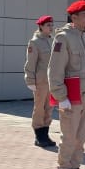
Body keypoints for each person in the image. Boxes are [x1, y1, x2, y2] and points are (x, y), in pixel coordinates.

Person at [48, 0, 85, 169]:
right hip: (70, 97)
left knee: (81, 138)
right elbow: (55, 70)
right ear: (74, 16)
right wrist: (60, 96)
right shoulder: (63, 38)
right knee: (68, 138)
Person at [24, 15, 56, 148]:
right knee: (39, 109)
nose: (51, 27)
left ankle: (45, 134)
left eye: (51, 25)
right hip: (40, 81)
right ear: (41, 26)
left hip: (52, 81)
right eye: (48, 25)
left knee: (49, 108)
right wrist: (30, 80)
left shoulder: (53, 40)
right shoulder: (35, 42)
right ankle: (39, 135)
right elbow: (30, 63)